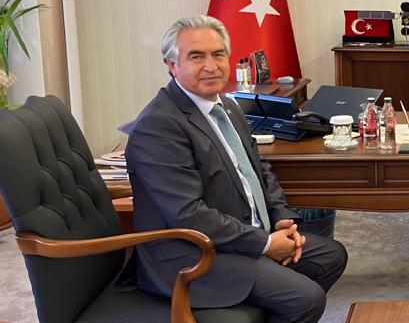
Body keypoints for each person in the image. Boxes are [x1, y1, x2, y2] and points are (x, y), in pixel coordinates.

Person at [126, 16, 347, 323]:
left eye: (218, 54)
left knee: (331, 256)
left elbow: (259, 170)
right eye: (196, 57)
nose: (211, 66)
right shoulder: (159, 126)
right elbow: (188, 214)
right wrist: (266, 245)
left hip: (240, 235)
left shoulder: (227, 106)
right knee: (306, 300)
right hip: (194, 254)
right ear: (172, 65)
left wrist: (281, 218)